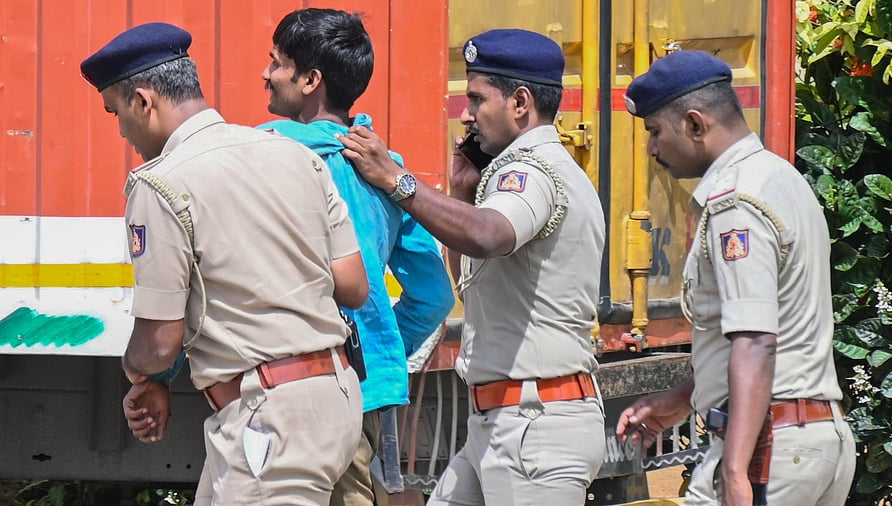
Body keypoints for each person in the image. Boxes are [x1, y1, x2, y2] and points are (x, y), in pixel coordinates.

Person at [81, 22, 367, 505]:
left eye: (116, 112)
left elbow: (160, 343)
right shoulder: (296, 155)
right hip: (334, 398)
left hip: (268, 416)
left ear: (144, 102)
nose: (122, 131)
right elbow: (353, 286)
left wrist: (139, 373)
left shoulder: (161, 184)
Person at [339, 29, 607, 506]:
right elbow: (474, 275)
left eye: (478, 99)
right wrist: (463, 193)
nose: (466, 115)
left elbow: (489, 235)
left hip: (534, 425)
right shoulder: (541, 167)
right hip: (506, 421)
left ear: (520, 102)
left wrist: (397, 180)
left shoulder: (529, 170)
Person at [614, 50, 856, 505]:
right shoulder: (781, 177)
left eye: (655, 131)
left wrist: (735, 469)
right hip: (814, 440)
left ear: (694, 124)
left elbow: (757, 340)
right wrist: (686, 398)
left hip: (770, 449)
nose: (651, 149)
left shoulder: (735, 203)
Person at [257, 8, 455, 506]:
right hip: (363, 390)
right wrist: (372, 347)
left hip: (281, 385)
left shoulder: (260, 156)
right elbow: (433, 295)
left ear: (310, 80)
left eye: (277, 63)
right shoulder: (386, 170)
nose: (266, 73)